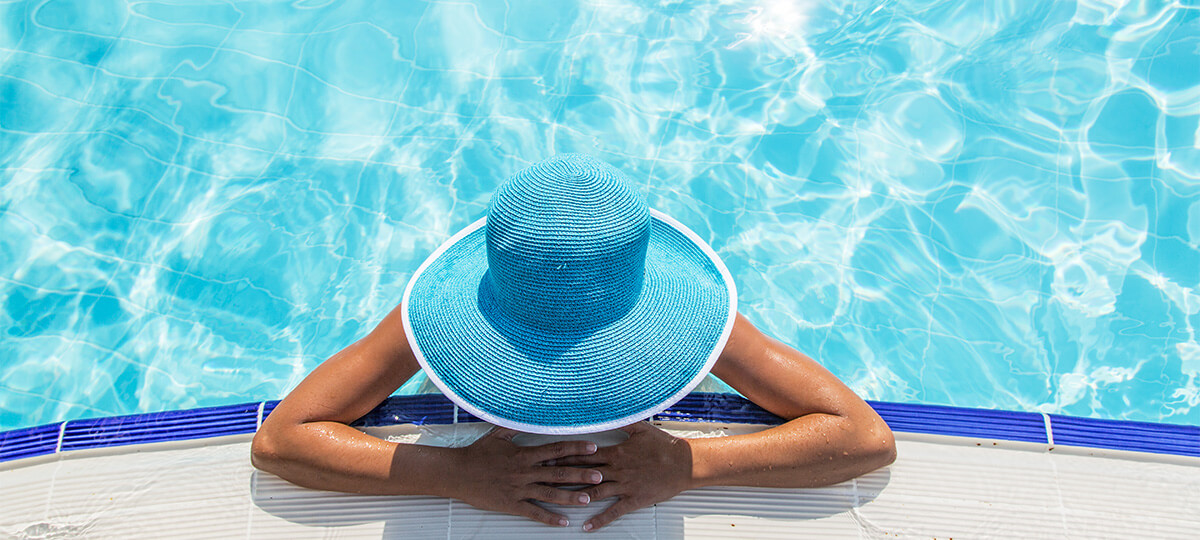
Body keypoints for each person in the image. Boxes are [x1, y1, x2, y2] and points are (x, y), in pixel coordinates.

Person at [251, 154, 896, 532]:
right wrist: (455, 475)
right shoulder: (421, 325)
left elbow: (863, 438)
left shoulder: (712, 329)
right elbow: (282, 440)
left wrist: (691, 467)